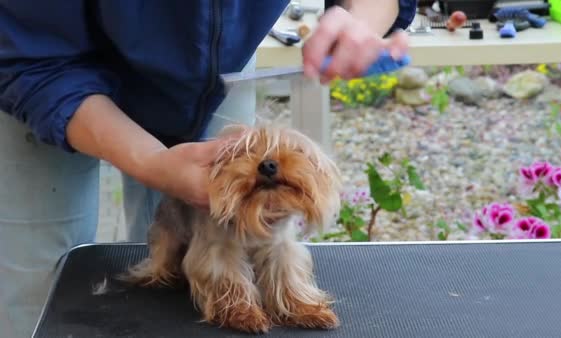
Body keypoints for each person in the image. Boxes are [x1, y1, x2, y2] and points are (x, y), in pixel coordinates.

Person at [0, 0, 417, 336]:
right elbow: (31, 56)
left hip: (217, 69)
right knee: (39, 291)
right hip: (40, 64)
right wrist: (152, 163)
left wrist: (361, 14)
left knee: (181, 286)